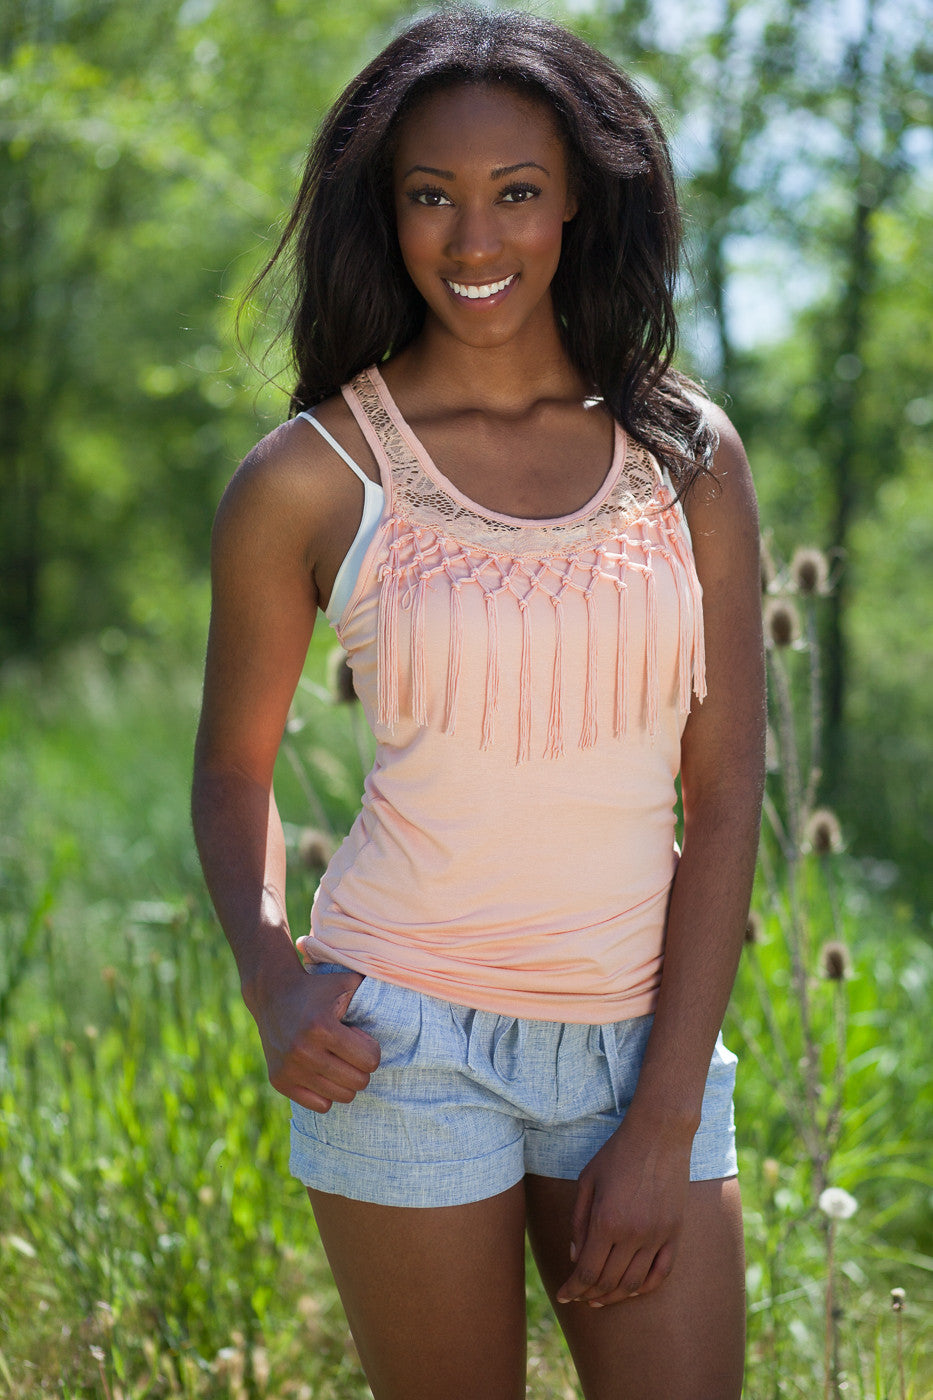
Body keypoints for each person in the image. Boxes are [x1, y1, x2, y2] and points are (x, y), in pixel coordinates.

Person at [191, 7, 765, 1398]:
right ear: (382, 216)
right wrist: (273, 974)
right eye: (430, 198)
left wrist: (663, 1107)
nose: (474, 241)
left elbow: (728, 786)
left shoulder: (684, 453)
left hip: (641, 1044)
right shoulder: (313, 476)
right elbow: (231, 774)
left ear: (576, 198)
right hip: (401, 1044)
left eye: (515, 193)